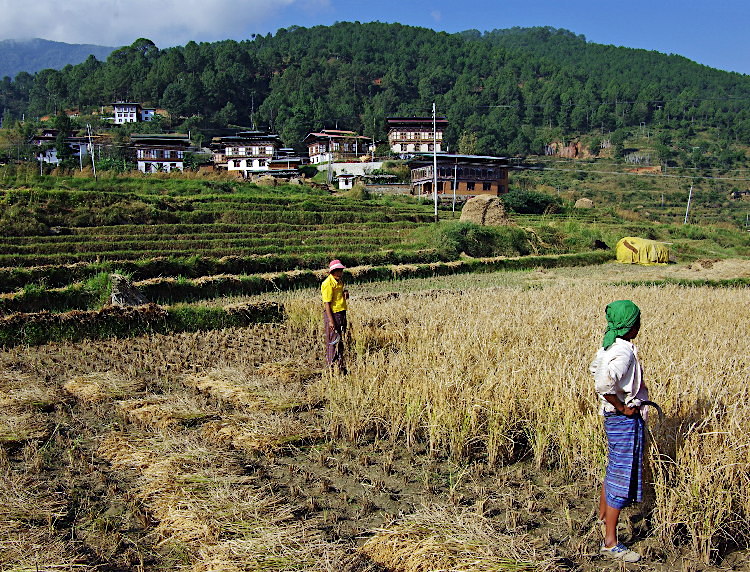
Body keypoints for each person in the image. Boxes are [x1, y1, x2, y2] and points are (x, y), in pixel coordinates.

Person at [589, 299, 648, 563]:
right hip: (622, 420)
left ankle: (603, 517)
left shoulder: (608, 346)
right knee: (621, 477)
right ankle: (610, 542)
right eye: (637, 321)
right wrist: (623, 407)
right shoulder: (623, 351)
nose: (639, 326)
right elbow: (603, 382)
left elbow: (594, 369)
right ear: (630, 326)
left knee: (614, 468)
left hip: (613, 419)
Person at [321, 259, 349, 373]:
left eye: (341, 270)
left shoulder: (340, 282)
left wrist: (345, 292)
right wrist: (331, 321)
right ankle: (330, 366)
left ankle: (340, 365)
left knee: (340, 340)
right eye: (338, 271)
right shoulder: (327, 283)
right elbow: (327, 303)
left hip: (341, 312)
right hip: (333, 314)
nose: (340, 273)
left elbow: (339, 295)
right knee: (332, 341)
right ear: (333, 271)